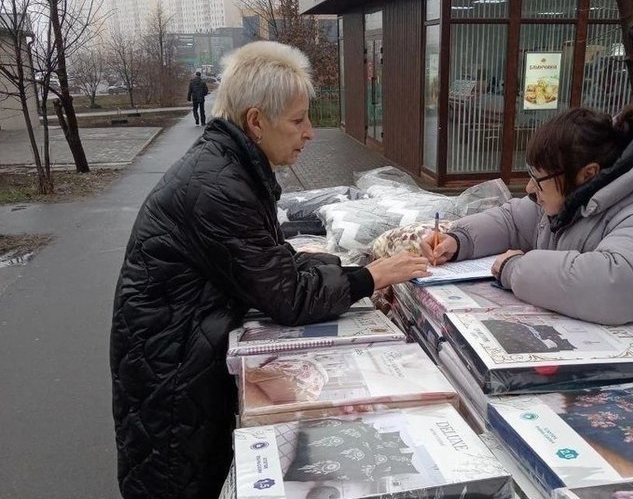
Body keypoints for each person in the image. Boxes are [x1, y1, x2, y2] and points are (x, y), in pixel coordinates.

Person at [110, 41, 431, 499]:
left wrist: (353, 265)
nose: (310, 133)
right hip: (171, 369)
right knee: (177, 480)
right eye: (298, 120)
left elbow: (272, 258)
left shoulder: (230, 167)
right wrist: (369, 277)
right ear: (256, 121)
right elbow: (287, 296)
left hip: (179, 350)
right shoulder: (219, 186)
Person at [421, 103, 633, 389]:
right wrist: (459, 240)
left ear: (587, 173)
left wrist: (515, 269)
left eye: (539, 180)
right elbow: (513, 219)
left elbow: (617, 285)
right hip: (598, 361)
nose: (529, 189)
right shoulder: (573, 195)